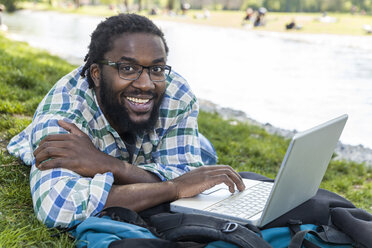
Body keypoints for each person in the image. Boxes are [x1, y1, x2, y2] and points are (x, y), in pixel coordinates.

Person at [7, 14, 245, 228]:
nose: (146, 84)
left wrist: (104, 164)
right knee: (205, 156)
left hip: (155, 150)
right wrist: (174, 188)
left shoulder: (177, 93)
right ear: (96, 74)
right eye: (127, 68)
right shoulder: (64, 114)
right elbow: (58, 206)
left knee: (205, 154)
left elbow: (187, 173)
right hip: (148, 155)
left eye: (157, 68)